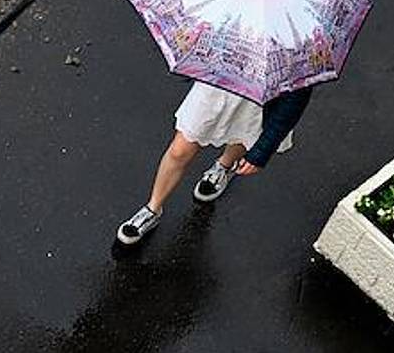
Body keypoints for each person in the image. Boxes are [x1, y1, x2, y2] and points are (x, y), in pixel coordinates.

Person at [116, 82, 313, 244]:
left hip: (260, 101)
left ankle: (224, 166)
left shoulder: (302, 40)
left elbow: (295, 100)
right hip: (219, 86)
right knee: (180, 151)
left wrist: (260, 152)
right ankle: (153, 208)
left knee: (242, 134)